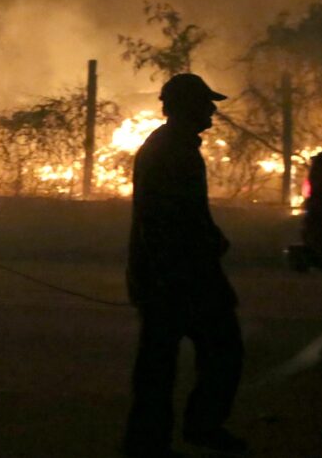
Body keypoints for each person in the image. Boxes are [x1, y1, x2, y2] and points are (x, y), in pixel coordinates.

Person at [121, 73, 247, 457]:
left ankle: (151, 440)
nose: (211, 111)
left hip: (171, 273)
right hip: (179, 276)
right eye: (204, 104)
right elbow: (169, 219)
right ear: (185, 107)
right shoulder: (172, 151)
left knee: (161, 362)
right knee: (219, 350)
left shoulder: (172, 147)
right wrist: (202, 250)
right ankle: (194, 428)